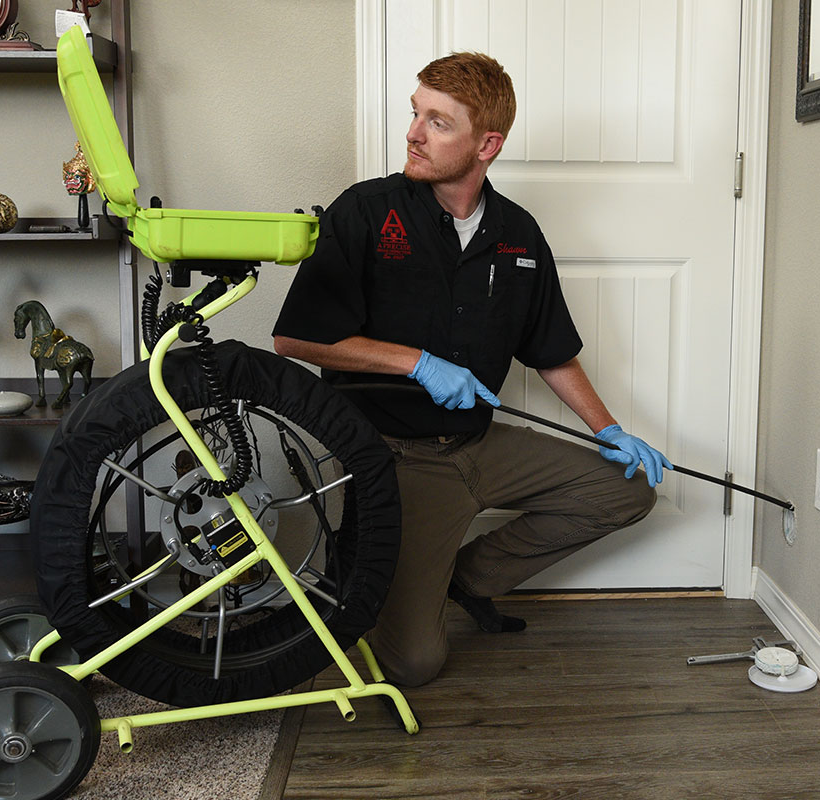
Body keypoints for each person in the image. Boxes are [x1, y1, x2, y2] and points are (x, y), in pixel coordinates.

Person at [272, 52, 670, 687]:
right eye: (415, 114)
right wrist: (416, 363)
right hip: (396, 457)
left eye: (437, 122)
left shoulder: (518, 234)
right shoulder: (365, 212)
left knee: (626, 490)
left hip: (481, 444)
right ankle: (393, 581)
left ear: (487, 144)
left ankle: (463, 578)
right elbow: (294, 339)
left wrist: (609, 431)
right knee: (414, 665)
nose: (412, 132)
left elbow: (552, 352)